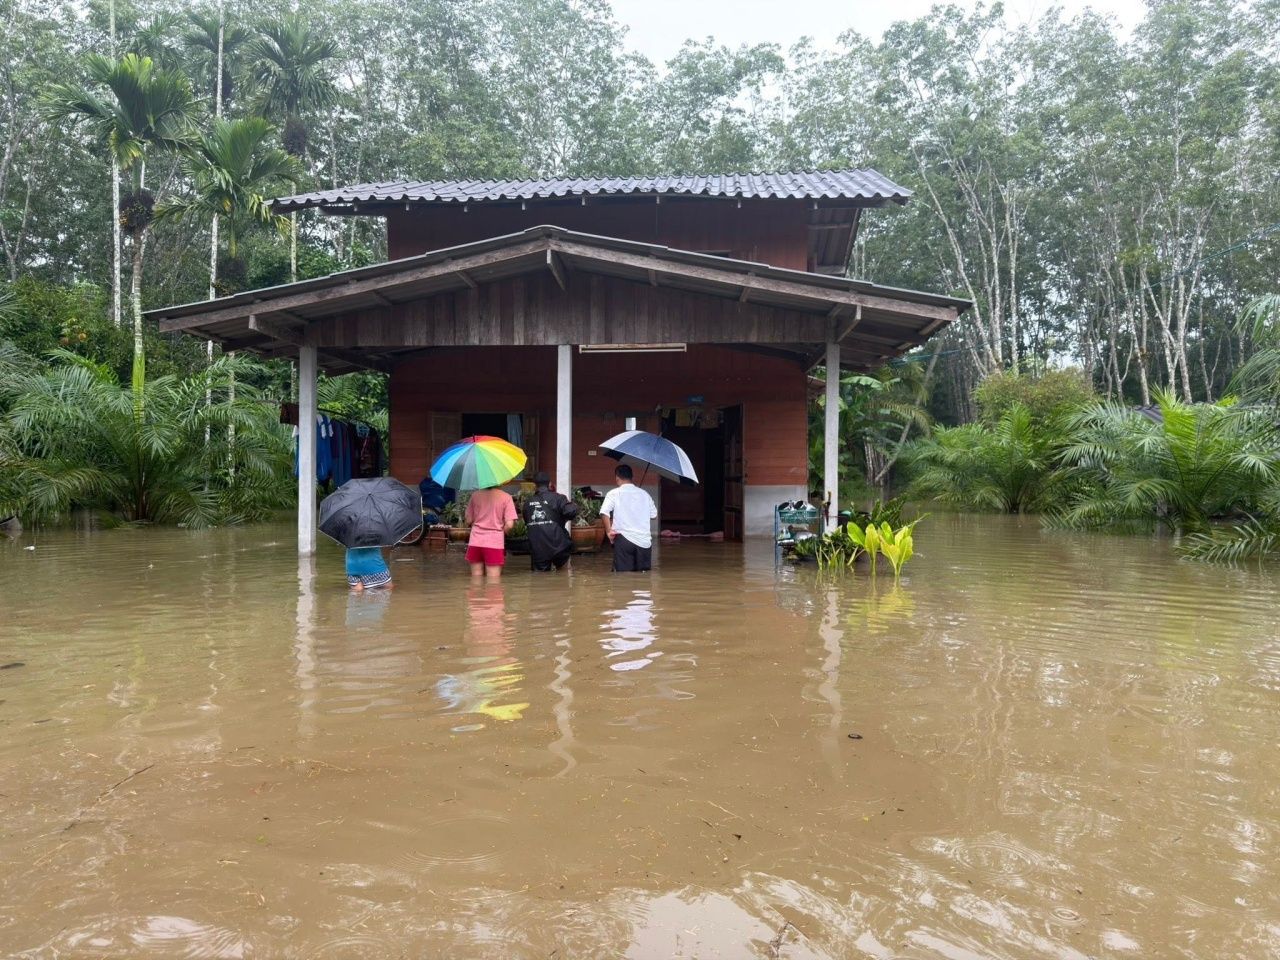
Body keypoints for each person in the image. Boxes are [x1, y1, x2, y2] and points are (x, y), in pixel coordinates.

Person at [599, 464, 658, 572]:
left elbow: (604, 513)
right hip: (644, 542)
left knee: (622, 577)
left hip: (623, 540)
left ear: (617, 477)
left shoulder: (614, 493)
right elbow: (654, 515)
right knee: (643, 578)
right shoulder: (645, 494)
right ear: (632, 477)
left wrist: (608, 531)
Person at [523, 471, 579, 572]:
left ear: (534, 486)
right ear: (549, 484)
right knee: (564, 574)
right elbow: (571, 512)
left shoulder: (527, 503)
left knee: (540, 578)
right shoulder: (559, 498)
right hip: (559, 545)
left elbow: (527, 522)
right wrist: (574, 506)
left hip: (538, 547)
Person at [465, 484, 517, 578]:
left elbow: (468, 520)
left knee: (476, 578)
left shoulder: (475, 495)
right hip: (494, 542)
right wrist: (503, 532)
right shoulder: (506, 497)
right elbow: (509, 525)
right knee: (493, 581)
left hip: (475, 541)